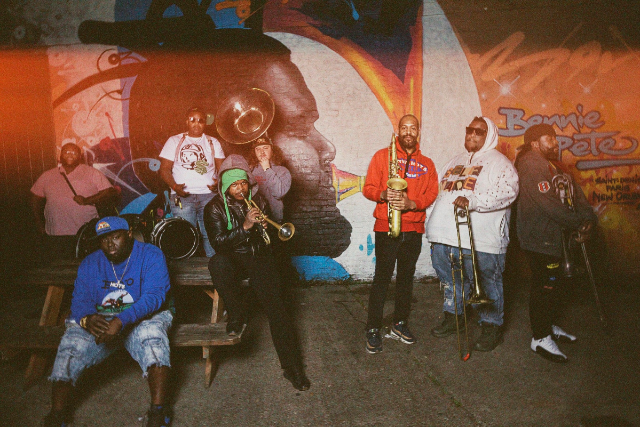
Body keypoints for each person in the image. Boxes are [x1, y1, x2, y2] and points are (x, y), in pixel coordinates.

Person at [42, 216, 173, 427]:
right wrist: (87, 318)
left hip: (142, 315)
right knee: (72, 344)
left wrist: (121, 321)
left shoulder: (151, 255)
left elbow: (154, 296)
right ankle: (57, 414)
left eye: (115, 237)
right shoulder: (90, 262)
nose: (110, 244)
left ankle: (159, 409)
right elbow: (79, 300)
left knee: (152, 337)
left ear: (129, 234)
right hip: (103, 317)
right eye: (104, 239)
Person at [203, 154, 310, 391]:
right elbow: (218, 244)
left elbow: (271, 239)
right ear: (225, 186)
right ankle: (236, 313)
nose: (240, 189)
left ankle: (292, 368)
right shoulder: (214, 208)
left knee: (278, 310)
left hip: (257, 256)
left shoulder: (258, 199)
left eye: (243, 183)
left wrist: (265, 229)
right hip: (231, 256)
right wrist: (245, 227)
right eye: (234, 185)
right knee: (217, 264)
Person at [426, 116, 519, 352]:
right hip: (444, 237)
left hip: (483, 240)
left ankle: (491, 327)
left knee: (487, 283)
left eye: (479, 131)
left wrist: (474, 201)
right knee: (451, 281)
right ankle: (454, 317)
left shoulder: (501, 163)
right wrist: (431, 222)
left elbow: (509, 192)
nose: (472, 135)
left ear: (490, 135)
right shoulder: (454, 161)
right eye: (470, 130)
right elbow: (439, 193)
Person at [515, 123, 597, 363]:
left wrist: (588, 218)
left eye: (554, 137)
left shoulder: (555, 165)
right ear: (534, 144)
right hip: (540, 238)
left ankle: (547, 325)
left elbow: (576, 193)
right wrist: (578, 223)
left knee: (553, 283)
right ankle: (540, 337)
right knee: (545, 285)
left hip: (556, 237)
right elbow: (548, 204)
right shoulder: (531, 163)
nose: (555, 142)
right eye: (549, 138)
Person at [361, 114, 439, 354]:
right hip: (386, 227)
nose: (408, 131)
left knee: (406, 278)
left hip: (413, 229)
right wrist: (383, 195)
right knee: (382, 279)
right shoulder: (381, 156)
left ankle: (399, 323)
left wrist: (412, 204)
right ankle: (373, 328)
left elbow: (432, 193)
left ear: (418, 132)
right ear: (398, 130)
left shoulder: (427, 164)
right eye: (404, 127)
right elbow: (368, 188)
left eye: (412, 128)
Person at [30, 142, 118, 260]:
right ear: (60, 155)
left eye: (74, 152)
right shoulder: (47, 175)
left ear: (80, 156)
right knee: (57, 267)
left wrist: (87, 200)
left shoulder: (91, 172)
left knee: (84, 265)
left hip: (84, 234)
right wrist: (39, 224)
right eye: (66, 152)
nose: (70, 155)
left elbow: (109, 192)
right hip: (54, 234)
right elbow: (35, 199)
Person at [159, 106, 225, 257]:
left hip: (209, 196)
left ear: (205, 123)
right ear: (186, 122)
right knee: (185, 236)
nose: (196, 123)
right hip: (182, 197)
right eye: (192, 120)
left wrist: (218, 183)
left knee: (211, 234)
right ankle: (188, 269)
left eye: (200, 120)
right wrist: (174, 186)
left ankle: (214, 266)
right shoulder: (174, 141)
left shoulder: (213, 142)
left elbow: (223, 170)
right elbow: (164, 169)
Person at [247, 133, 292, 222]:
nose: (261, 152)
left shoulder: (283, 171)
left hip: (274, 218)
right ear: (254, 152)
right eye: (258, 149)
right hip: (254, 219)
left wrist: (267, 168)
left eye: (265, 148)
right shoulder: (250, 170)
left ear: (272, 150)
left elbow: (278, 193)